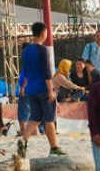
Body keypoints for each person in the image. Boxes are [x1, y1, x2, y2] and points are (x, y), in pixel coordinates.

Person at [17, 22, 66, 157]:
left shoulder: (26, 51)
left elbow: (25, 72)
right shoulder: (43, 50)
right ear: (44, 33)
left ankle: (24, 141)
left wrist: (24, 87)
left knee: (36, 118)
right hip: (43, 88)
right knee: (50, 119)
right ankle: (54, 147)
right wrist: (51, 90)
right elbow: (47, 71)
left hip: (31, 90)